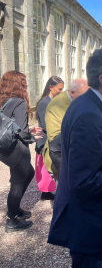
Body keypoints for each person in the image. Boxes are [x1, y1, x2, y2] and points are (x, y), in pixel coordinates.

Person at [48, 48, 102, 268]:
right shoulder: (89, 114)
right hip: (89, 227)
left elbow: (88, 159)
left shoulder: (87, 104)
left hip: (88, 223)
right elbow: (84, 180)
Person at [0, 71, 43, 233]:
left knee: (28, 173)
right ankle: (12, 220)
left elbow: (12, 125)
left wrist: (28, 130)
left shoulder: (4, 101)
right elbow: (22, 132)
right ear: (18, 84)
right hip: (16, 147)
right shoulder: (18, 102)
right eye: (24, 82)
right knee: (19, 180)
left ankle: (15, 208)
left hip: (5, 147)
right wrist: (33, 136)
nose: (27, 84)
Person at [43, 79, 88, 182]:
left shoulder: (76, 100)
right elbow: (55, 138)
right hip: (62, 161)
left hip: (76, 159)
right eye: (83, 96)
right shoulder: (56, 105)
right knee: (66, 195)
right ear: (72, 92)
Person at [35, 76, 64, 201]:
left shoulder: (52, 101)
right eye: (59, 89)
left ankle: (47, 192)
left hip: (51, 139)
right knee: (45, 168)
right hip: (45, 141)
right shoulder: (44, 103)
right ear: (50, 87)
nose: (61, 92)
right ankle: (46, 193)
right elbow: (47, 125)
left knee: (48, 170)